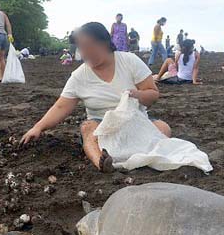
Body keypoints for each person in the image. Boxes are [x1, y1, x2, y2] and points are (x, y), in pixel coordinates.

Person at [20, 22, 171, 172]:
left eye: (89, 46)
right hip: (101, 127)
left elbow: (153, 94)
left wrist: (136, 94)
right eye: (81, 48)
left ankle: (131, 153)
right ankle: (102, 162)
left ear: (104, 43)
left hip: (135, 121)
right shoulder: (80, 76)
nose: (85, 53)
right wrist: (38, 127)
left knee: (163, 128)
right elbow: (61, 106)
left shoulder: (129, 61)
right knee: (87, 127)